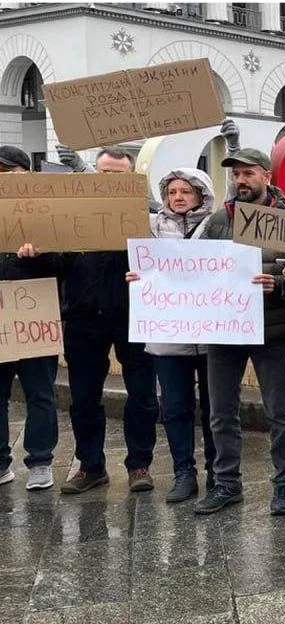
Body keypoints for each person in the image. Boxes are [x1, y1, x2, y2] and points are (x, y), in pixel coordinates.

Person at [190, 148, 285, 516]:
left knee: (279, 412)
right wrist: (149, 280)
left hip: (270, 330)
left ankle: (284, 484)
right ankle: (226, 484)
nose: (241, 180)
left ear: (267, 176)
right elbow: (193, 268)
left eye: (248, 173)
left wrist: (279, 284)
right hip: (225, 329)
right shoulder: (219, 219)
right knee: (220, 412)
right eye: (236, 174)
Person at [59, 147, 160, 495]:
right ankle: (90, 466)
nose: (109, 181)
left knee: (142, 395)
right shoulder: (70, 214)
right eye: (103, 174)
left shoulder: (149, 215)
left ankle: (139, 464)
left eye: (118, 176)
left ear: (131, 179)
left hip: (134, 316)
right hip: (83, 317)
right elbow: (56, 263)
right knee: (84, 397)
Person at [124, 169, 217, 503]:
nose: (178, 197)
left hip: (212, 334)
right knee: (175, 407)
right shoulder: (150, 226)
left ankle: (217, 472)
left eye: (186, 191)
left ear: (202, 194)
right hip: (167, 335)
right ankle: (183, 472)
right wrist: (137, 275)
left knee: (215, 409)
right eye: (172, 191)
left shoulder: (218, 225)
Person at [0, 146, 61, 491]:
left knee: (40, 393)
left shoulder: (46, 214)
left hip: (36, 317)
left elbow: (64, 266)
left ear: (26, 174)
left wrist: (38, 256)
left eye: (9, 172)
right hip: (3, 319)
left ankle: (40, 461)